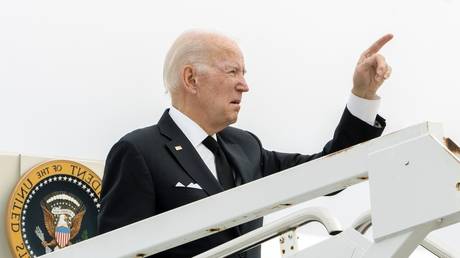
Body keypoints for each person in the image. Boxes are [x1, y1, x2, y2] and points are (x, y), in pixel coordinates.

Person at [97, 30, 392, 258]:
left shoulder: (246, 148)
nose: (244, 85)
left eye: (244, 73)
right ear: (191, 78)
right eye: (232, 71)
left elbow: (329, 174)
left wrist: (362, 96)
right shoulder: (140, 151)